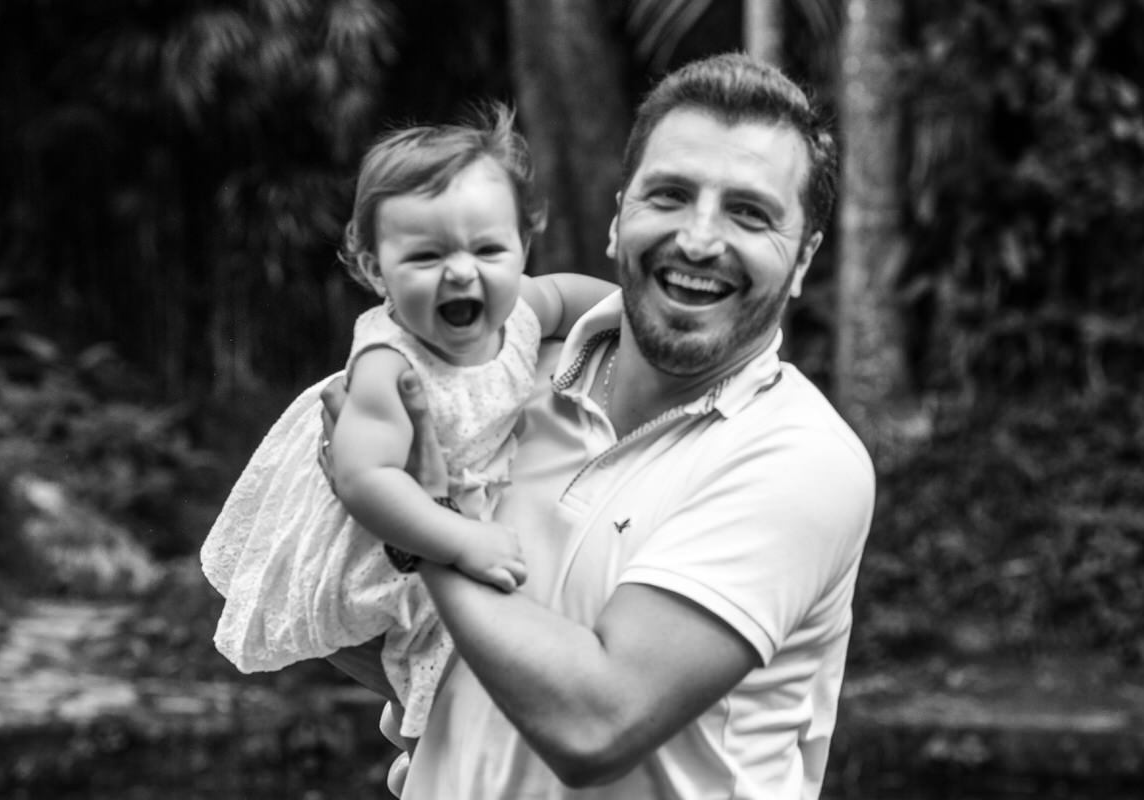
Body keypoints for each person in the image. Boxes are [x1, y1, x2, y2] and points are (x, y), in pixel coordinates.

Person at [320, 53, 876, 799]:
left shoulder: (799, 459)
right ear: (620, 218)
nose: (699, 240)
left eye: (749, 213)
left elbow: (596, 725)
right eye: (669, 195)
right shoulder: (505, 377)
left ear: (803, 257)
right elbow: (397, 634)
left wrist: (421, 523)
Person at [200, 105, 615, 740]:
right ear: (375, 270)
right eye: (426, 256)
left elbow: (563, 297)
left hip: (457, 488)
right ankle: (429, 738)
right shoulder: (388, 367)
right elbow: (365, 480)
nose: (462, 271)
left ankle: (426, 730)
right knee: (446, 651)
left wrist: (632, 317)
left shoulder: (517, 310)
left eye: (488, 248)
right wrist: (459, 541)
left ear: (522, 245)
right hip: (385, 518)